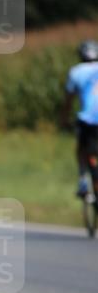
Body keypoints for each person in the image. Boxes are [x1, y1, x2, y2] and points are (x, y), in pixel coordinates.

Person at [62, 39, 98, 198]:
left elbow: (69, 100)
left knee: (82, 150)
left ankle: (83, 180)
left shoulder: (76, 72)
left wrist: (64, 119)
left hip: (88, 120)